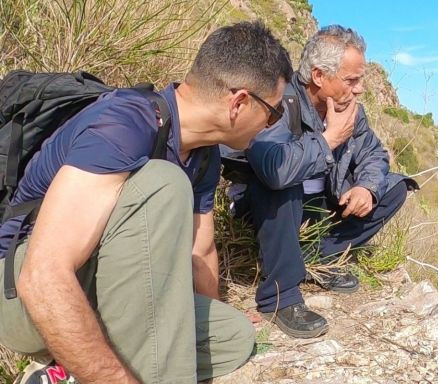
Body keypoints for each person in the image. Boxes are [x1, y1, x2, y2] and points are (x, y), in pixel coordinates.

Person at [0, 21, 292, 383]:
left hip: (104, 290)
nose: (271, 126)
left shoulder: (203, 155)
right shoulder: (123, 125)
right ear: (239, 102)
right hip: (21, 299)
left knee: (232, 335)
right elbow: (41, 275)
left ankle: (67, 370)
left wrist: (208, 312)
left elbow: (200, 252)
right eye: (274, 113)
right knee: (162, 183)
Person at [230, 25, 417, 339]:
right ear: (318, 75)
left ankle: (318, 254)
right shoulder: (280, 101)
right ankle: (280, 296)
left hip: (318, 208)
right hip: (268, 209)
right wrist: (329, 139)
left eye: (360, 79)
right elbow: (273, 167)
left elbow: (374, 153)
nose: (359, 89)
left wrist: (366, 187)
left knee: (396, 187)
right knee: (283, 181)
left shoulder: (349, 109)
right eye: (351, 80)